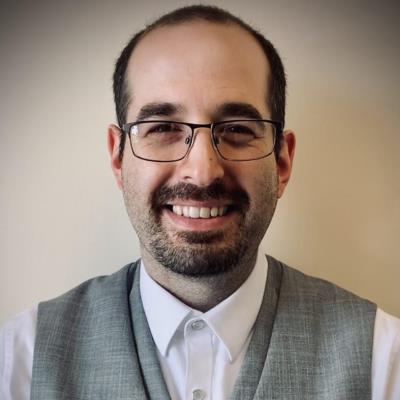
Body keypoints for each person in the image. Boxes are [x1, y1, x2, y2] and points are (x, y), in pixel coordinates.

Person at [1, 5, 399, 400]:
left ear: (282, 161)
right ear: (118, 158)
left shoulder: (384, 362)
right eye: (162, 128)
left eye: (238, 129)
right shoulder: (19, 360)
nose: (203, 171)